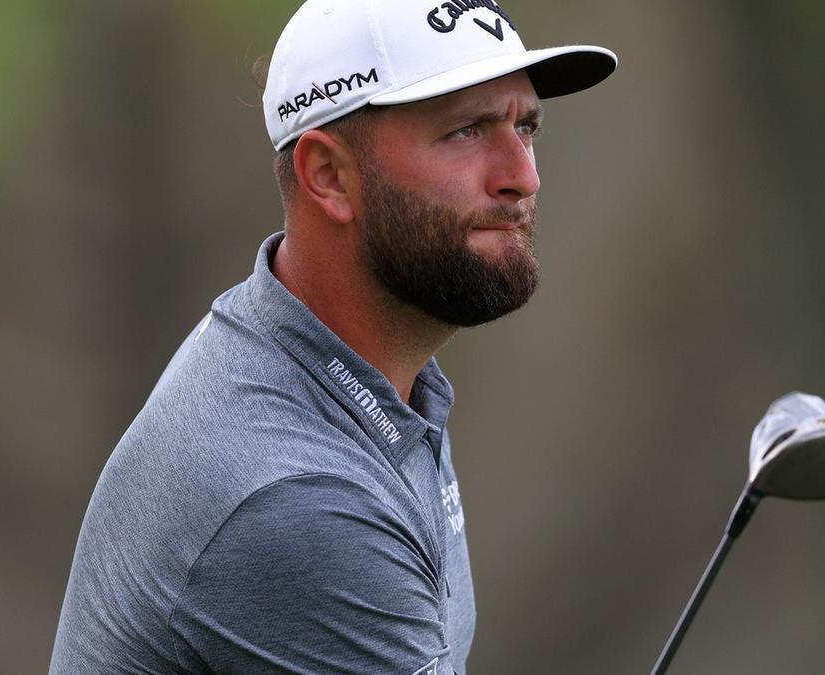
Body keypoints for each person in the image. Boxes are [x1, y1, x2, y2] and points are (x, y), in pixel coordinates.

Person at [48, 1, 616, 673]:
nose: (522, 175)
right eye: (466, 131)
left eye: (526, 126)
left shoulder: (354, 379)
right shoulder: (297, 497)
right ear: (329, 176)